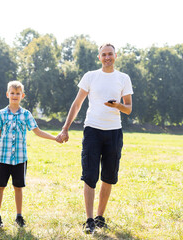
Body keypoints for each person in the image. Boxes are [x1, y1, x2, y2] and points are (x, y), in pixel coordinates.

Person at [56, 43, 133, 234]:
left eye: (110, 54)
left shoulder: (123, 78)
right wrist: (65, 128)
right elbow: (77, 103)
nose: (107, 57)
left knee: (108, 176)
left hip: (114, 132)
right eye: (104, 54)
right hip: (92, 131)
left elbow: (129, 108)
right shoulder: (90, 76)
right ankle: (89, 219)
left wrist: (117, 106)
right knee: (90, 176)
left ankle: (100, 217)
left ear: (116, 56)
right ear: (99, 57)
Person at [0, 80, 59, 228]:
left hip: (20, 159)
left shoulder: (26, 114)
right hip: (2, 158)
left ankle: (19, 216)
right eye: (12, 93)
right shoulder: (1, 114)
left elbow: (37, 131)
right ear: (7, 94)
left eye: (18, 93)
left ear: (22, 95)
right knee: (0, 187)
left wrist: (55, 138)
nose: (15, 96)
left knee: (18, 187)